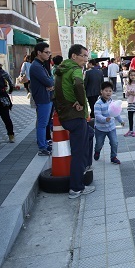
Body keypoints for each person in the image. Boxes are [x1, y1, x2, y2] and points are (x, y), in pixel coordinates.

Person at [54, 44, 95, 199]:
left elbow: (57, 91)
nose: (86, 59)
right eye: (83, 56)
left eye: (87, 56)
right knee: (78, 152)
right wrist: (81, 103)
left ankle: (85, 166)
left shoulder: (60, 70)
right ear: (74, 56)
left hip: (65, 115)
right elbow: (78, 84)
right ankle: (76, 188)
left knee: (90, 134)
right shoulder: (75, 69)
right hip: (75, 117)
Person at [29, 42, 54, 156]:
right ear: (39, 52)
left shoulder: (41, 65)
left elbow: (50, 81)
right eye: (46, 52)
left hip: (46, 97)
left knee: (45, 123)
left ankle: (44, 144)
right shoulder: (36, 66)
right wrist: (50, 84)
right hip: (42, 98)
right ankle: (42, 147)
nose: (48, 54)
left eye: (49, 52)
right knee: (42, 124)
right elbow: (49, 81)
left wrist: (50, 84)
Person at [93, 81, 125, 164]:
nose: (108, 93)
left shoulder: (112, 102)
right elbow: (97, 115)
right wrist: (105, 119)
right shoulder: (98, 103)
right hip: (100, 129)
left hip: (111, 127)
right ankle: (97, 151)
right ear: (101, 91)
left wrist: (121, 121)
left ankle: (113, 157)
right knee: (99, 144)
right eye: (106, 90)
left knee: (114, 142)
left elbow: (116, 113)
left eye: (110, 91)